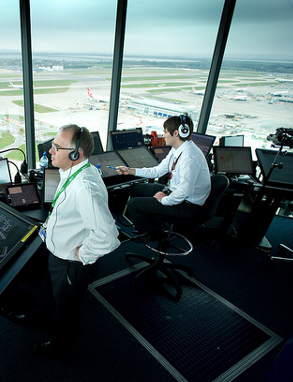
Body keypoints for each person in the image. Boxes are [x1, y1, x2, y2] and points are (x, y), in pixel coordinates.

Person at [15, 124, 120, 357]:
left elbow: (109, 237)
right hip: (57, 254)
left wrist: (82, 255)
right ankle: (37, 318)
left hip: (71, 264)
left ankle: (63, 343)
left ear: (76, 155)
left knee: (67, 307)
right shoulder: (74, 172)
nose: (49, 152)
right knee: (47, 288)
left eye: (55, 147)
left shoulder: (84, 187)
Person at [116, 114, 211, 243]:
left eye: (165, 132)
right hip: (174, 191)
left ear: (176, 133)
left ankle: (153, 234)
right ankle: (152, 224)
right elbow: (158, 171)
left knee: (134, 205)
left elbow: (184, 192)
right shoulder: (178, 149)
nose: (163, 135)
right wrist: (130, 171)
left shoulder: (190, 157)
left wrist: (163, 200)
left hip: (187, 205)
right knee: (135, 189)